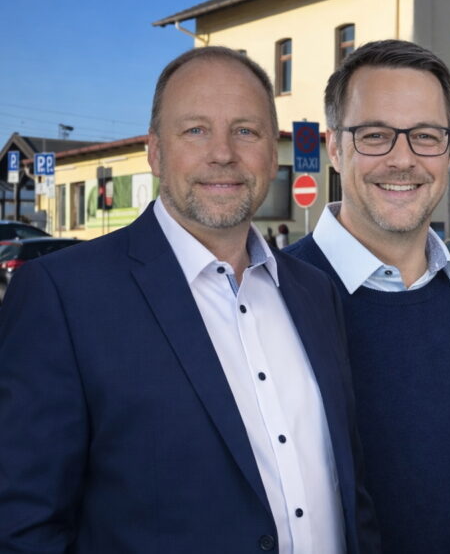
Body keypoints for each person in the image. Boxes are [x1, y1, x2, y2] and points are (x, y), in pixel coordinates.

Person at [0, 47, 379, 553]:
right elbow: (23, 525)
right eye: (195, 130)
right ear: (155, 151)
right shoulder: (63, 297)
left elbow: (348, 490)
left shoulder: (314, 292)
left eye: (246, 131)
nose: (222, 153)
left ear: (272, 153)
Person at [284, 40, 450, 553]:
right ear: (334, 147)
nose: (403, 159)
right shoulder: (269, 301)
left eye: (425, 136)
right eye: (374, 136)